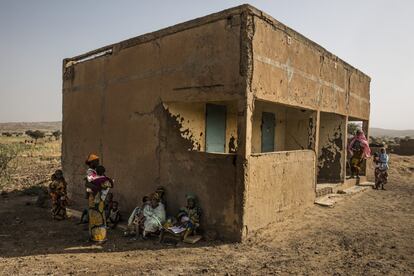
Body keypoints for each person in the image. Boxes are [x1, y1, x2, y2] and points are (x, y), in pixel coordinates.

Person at [85, 165, 113, 243]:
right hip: (98, 202)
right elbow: (109, 186)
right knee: (99, 219)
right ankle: (99, 237)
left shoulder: (92, 178)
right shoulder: (105, 179)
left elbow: (87, 186)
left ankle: (95, 237)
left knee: (95, 219)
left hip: (94, 201)